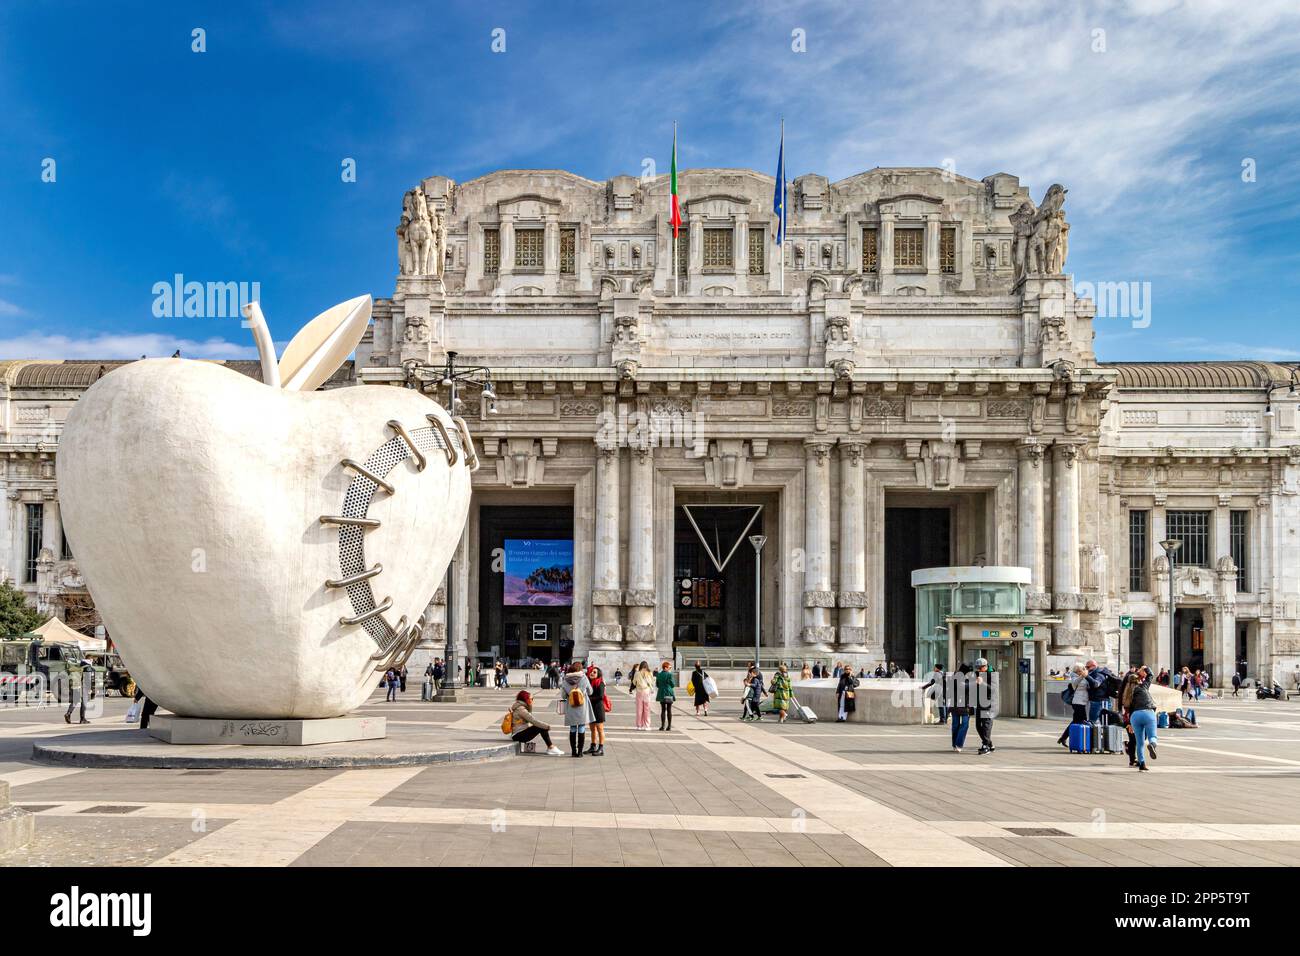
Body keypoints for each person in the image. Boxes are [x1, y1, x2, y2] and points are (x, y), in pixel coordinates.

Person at [1121, 667, 1158, 772]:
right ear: (1138, 680)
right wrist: (1145, 668)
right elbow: (1150, 675)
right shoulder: (1143, 687)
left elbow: (1127, 710)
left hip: (1135, 716)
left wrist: (1129, 724)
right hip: (1148, 713)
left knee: (1139, 742)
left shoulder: (1127, 694)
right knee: (1152, 736)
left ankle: (1142, 764)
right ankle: (1152, 745)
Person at [509, 691, 564, 755]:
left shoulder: (521, 707)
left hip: (519, 733)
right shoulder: (521, 709)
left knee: (541, 726)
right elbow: (533, 720)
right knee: (541, 727)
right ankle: (551, 747)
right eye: (531, 699)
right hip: (518, 735)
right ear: (525, 699)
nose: (532, 700)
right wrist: (547, 726)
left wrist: (529, 706)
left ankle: (551, 747)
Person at [560, 662, 595, 757]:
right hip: (582, 706)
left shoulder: (565, 679)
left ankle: (573, 751)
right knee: (581, 728)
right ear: (580, 668)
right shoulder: (584, 678)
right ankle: (580, 752)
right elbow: (590, 692)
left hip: (571, 707)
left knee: (572, 728)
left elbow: (563, 695)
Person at [1057, 663, 1091, 749]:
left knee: (1076, 721)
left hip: (1083, 701)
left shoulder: (1083, 676)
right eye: (1079, 671)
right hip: (1077, 701)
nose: (1081, 672)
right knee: (1082, 720)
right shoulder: (1074, 676)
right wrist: (1082, 676)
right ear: (1076, 671)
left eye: (1082, 670)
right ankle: (1067, 738)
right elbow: (1075, 683)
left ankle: (1063, 738)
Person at [972, 658, 996, 755]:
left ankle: (985, 745)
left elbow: (993, 689)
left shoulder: (992, 675)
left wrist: (983, 683)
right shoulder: (977, 674)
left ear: (985, 667)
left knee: (986, 725)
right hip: (979, 702)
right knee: (978, 725)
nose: (978, 670)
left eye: (980, 668)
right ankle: (989, 744)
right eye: (977, 668)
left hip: (989, 703)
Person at [947, 663, 972, 752]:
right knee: (957, 725)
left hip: (965, 704)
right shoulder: (957, 677)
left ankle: (957, 744)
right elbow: (962, 687)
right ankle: (956, 744)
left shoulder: (965, 677)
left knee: (962, 724)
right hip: (957, 704)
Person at [586, 665, 608, 756]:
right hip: (591, 707)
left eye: (594, 672)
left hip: (598, 708)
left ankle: (601, 748)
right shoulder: (589, 683)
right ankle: (593, 746)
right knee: (592, 729)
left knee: (599, 729)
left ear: (598, 674)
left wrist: (589, 698)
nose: (592, 673)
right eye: (591, 671)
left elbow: (601, 696)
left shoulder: (600, 683)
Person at [63, 659, 94, 725]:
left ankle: (68, 713)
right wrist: (90, 688)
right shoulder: (87, 668)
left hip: (74, 685)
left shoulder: (78, 667)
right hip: (83, 687)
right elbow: (87, 679)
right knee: (84, 702)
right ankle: (82, 719)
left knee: (75, 700)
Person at [631, 660, 655, 731]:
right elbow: (652, 682)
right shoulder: (649, 673)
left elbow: (634, 683)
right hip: (647, 692)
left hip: (639, 692)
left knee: (639, 710)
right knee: (647, 709)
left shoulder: (637, 673)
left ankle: (639, 726)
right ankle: (647, 726)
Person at [655, 660, 676, 731]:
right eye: (669, 667)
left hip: (661, 693)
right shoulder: (669, 675)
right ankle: (669, 726)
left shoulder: (659, 674)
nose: (670, 669)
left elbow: (657, 685)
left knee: (663, 710)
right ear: (666, 667)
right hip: (668, 693)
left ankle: (662, 726)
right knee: (669, 710)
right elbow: (673, 685)